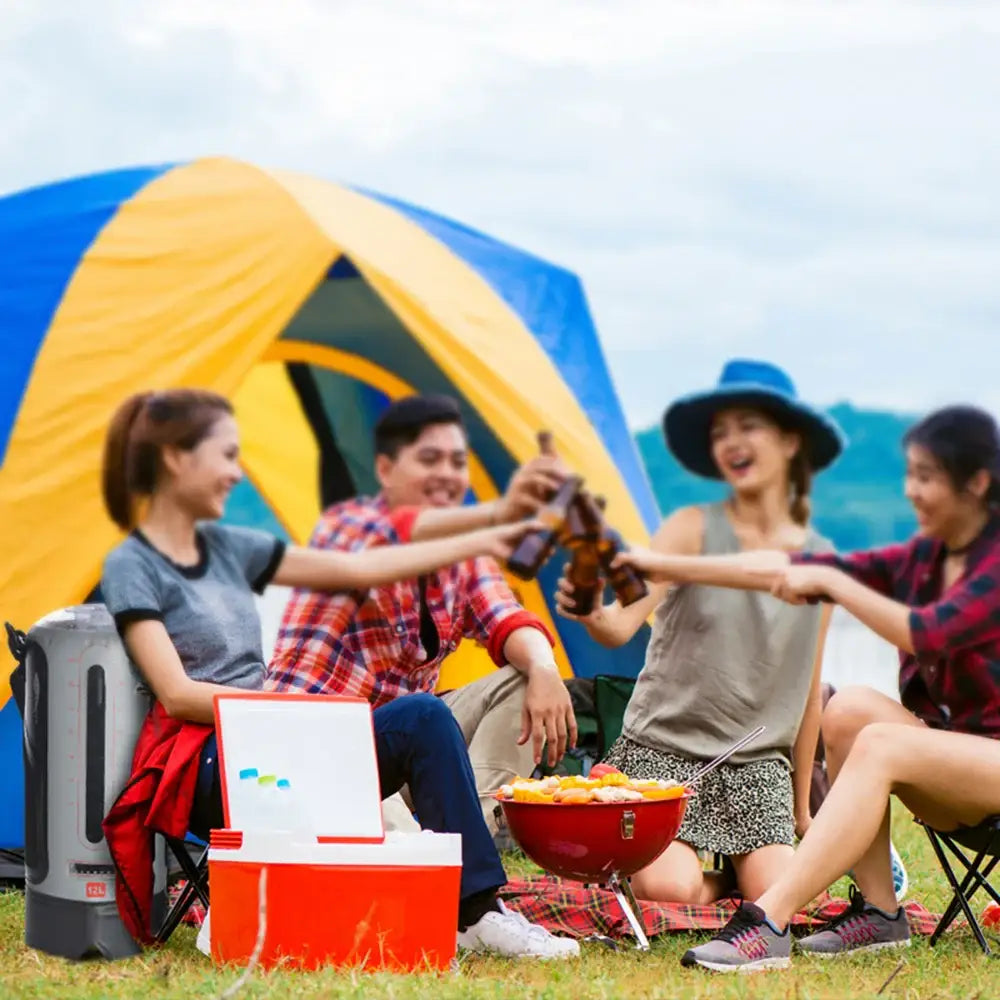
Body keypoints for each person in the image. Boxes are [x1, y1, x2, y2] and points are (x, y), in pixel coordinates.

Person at [99, 388, 579, 960]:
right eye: (227, 456)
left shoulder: (231, 547)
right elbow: (177, 695)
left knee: (425, 717)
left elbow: (362, 569)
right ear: (176, 459)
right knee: (421, 716)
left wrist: (502, 523)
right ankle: (465, 909)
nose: (235, 472)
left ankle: (474, 908)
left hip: (302, 744)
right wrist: (314, 717)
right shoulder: (135, 562)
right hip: (214, 755)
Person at [615, 404, 1000, 972]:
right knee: (848, 711)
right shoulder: (924, 559)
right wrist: (666, 563)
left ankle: (767, 920)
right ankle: (879, 912)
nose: (912, 490)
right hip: (959, 765)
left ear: (977, 483)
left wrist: (833, 584)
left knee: (882, 743)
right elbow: (780, 568)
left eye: (927, 476)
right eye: (910, 474)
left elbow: (929, 632)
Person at [556, 359, 842, 905]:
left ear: (789, 442)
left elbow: (808, 695)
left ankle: (744, 878)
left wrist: (802, 810)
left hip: (757, 768)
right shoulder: (690, 527)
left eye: (747, 426)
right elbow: (618, 626)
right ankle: (715, 884)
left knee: (785, 895)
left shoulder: (822, 561)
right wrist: (589, 609)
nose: (730, 442)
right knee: (670, 889)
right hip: (663, 755)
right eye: (720, 432)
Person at [265, 394, 577, 835]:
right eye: (430, 459)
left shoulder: (463, 557)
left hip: (406, 746)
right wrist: (504, 514)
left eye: (456, 462)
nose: (447, 475)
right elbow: (401, 533)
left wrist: (546, 667)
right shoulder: (349, 527)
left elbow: (506, 615)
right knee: (407, 864)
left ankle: (469, 840)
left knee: (524, 674)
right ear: (386, 471)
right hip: (319, 748)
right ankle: (443, 865)